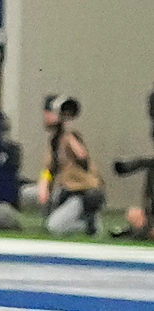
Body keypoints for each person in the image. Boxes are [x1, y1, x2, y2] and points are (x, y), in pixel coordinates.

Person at [41, 95, 104, 236]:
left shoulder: (71, 136)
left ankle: (90, 224)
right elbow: (49, 167)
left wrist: (66, 130)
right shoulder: (54, 141)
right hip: (69, 191)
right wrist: (44, 185)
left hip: (85, 193)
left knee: (54, 227)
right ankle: (88, 220)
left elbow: (82, 156)